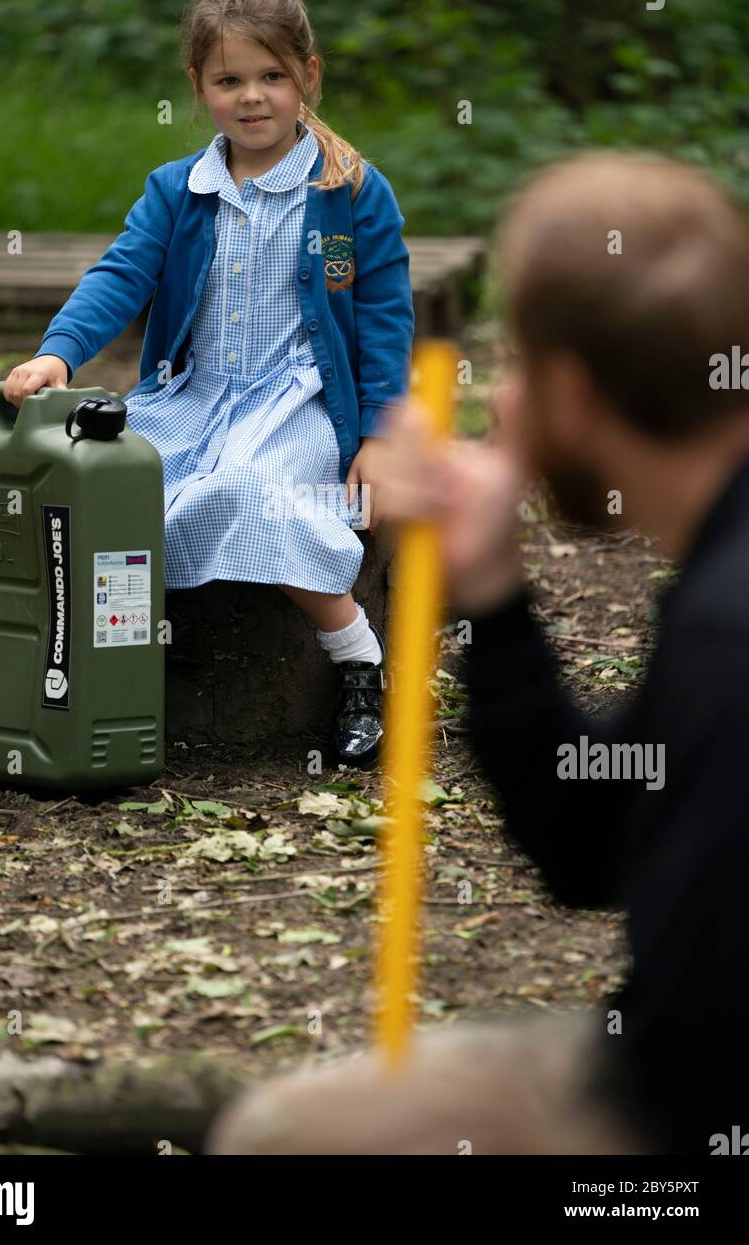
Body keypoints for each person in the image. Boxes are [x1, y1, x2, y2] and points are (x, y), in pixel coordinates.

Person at [208, 150, 749, 1155]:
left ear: (573, 395)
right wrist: (492, 597)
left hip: (686, 1105)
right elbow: (590, 850)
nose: (498, 403)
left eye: (517, 367)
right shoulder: (718, 578)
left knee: (284, 1137)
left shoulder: (727, 636)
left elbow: (692, 1059)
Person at [3, 0, 414, 769]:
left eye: (272, 77)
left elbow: (386, 323)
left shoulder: (351, 194)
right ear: (199, 87)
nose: (251, 97)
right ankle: (110, 675)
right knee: (111, 493)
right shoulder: (179, 191)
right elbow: (120, 275)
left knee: (254, 494)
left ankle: (359, 661)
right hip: (191, 398)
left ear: (308, 78)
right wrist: (58, 351)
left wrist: (381, 434)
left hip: (297, 403)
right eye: (229, 80)